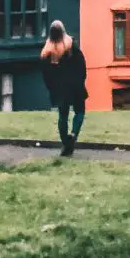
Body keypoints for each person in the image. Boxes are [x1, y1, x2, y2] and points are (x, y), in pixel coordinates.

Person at [40, 20, 88, 156]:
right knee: (80, 111)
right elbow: (81, 64)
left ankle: (66, 143)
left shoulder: (46, 52)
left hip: (59, 88)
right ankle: (73, 135)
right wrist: (81, 80)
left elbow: (46, 74)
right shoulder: (71, 44)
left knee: (63, 115)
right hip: (75, 84)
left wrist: (52, 88)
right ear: (63, 31)